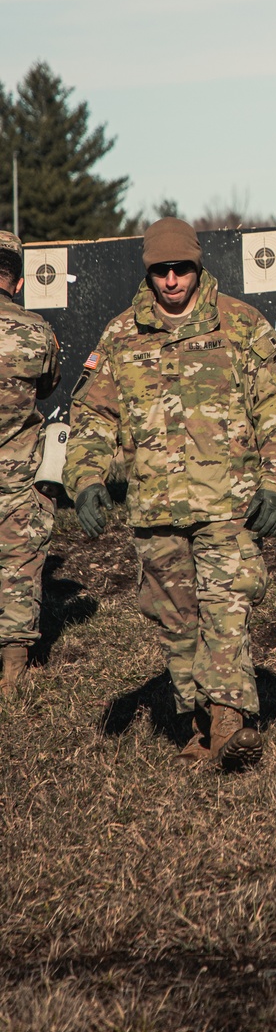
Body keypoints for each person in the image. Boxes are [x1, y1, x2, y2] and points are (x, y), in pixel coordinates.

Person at [64, 218, 276, 767]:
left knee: (227, 609)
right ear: (148, 273)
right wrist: (87, 481)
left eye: (180, 269)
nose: (171, 280)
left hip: (229, 505)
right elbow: (93, 417)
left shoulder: (240, 325)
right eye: (160, 271)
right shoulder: (121, 336)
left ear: (197, 266)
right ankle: (198, 725)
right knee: (177, 623)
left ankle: (229, 723)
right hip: (155, 510)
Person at [0, 231, 60, 696]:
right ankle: (14, 670)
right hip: (17, 471)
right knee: (18, 560)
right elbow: (47, 386)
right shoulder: (38, 332)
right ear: (18, 283)